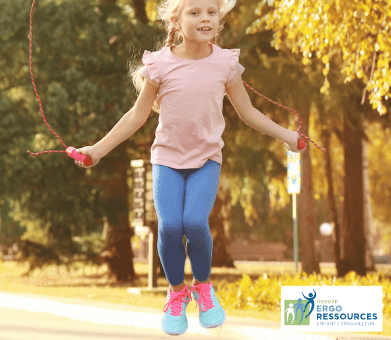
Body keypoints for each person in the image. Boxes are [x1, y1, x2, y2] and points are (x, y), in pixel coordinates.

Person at [73, 0, 305, 335]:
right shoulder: (159, 65)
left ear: (219, 19)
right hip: (167, 160)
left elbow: (248, 112)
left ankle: (205, 289)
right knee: (169, 227)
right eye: (194, 12)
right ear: (176, 21)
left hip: (206, 160)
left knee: (194, 222)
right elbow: (136, 117)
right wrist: (97, 150)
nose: (205, 18)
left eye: (211, 11)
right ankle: (177, 293)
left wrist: (286, 136)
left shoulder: (225, 64)